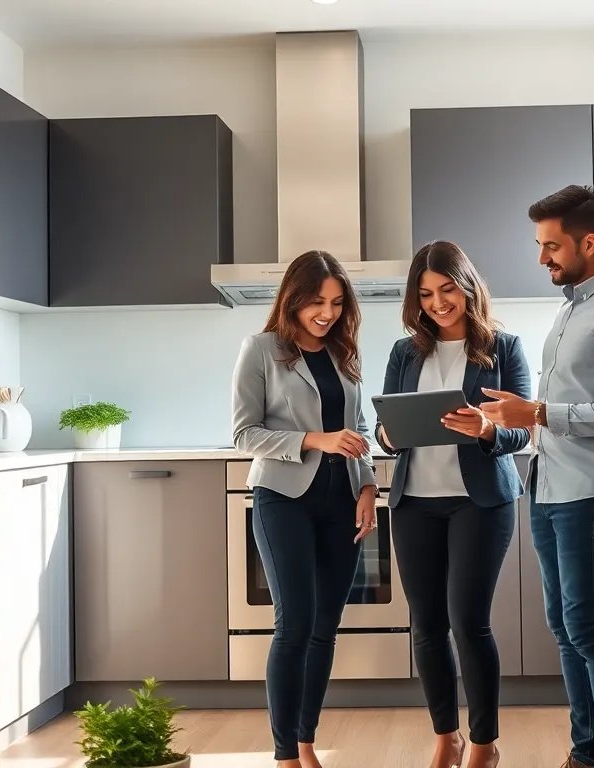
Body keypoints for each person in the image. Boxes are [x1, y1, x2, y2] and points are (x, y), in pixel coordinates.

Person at [481, 185, 594, 768]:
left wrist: (537, 413)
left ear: (589, 242)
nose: (542, 258)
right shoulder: (571, 307)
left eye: (551, 246)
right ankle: (586, 752)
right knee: (564, 624)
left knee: (586, 623)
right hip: (549, 483)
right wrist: (516, 418)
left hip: (591, 488)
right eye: (540, 245)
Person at [375, 241, 533, 768]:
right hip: (414, 502)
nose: (438, 303)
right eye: (426, 294)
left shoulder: (504, 348)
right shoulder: (405, 352)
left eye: (447, 290)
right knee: (427, 626)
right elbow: (385, 427)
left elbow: (522, 430)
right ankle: (447, 737)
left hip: (479, 503)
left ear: (467, 287)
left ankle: (485, 743)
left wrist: (487, 429)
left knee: (468, 622)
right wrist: (387, 435)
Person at [230, 250, 380, 768]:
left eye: (337, 303)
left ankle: (305, 744)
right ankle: (284, 756)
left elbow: (358, 432)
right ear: (293, 298)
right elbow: (244, 434)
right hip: (284, 500)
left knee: (324, 629)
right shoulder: (261, 349)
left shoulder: (344, 352)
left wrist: (368, 487)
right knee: (294, 624)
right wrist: (316, 438)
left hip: (343, 502)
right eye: (317, 302)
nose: (327, 313)